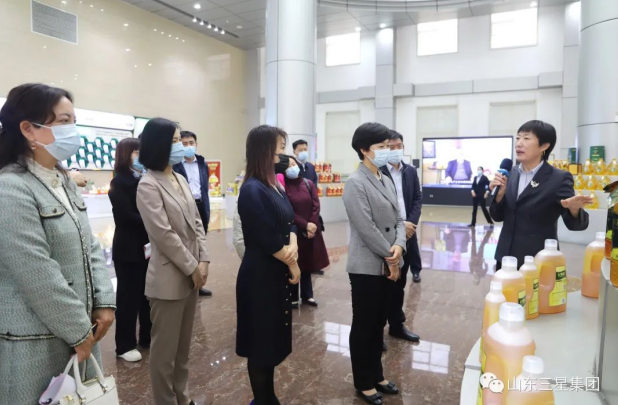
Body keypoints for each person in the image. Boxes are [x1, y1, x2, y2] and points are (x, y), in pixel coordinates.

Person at [0, 83, 116, 404]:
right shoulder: (10, 188)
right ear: (28, 129)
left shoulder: (64, 181)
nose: (73, 130)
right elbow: (35, 271)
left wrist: (105, 303)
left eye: (73, 121)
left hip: (81, 330)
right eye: (64, 121)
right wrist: (78, 329)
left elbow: (90, 247)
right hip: (36, 339)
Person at [136, 118, 209, 405]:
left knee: (183, 349)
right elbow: (163, 235)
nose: (181, 146)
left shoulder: (179, 178)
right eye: (176, 141)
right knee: (164, 353)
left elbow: (197, 222)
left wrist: (204, 259)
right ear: (160, 144)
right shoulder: (148, 185)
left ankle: (183, 397)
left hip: (192, 273)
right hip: (169, 278)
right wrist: (192, 266)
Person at [236, 125, 301, 405]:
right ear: (265, 150)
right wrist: (293, 263)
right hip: (260, 276)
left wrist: (294, 243)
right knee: (260, 345)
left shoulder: (274, 184)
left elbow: (290, 220)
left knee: (272, 341)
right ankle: (262, 400)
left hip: (276, 271)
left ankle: (269, 397)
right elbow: (266, 237)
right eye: (280, 148)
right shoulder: (252, 189)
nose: (284, 154)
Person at [343, 122, 406, 405]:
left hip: (390, 260)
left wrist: (399, 247)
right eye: (381, 147)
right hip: (367, 267)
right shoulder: (355, 183)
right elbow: (366, 227)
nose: (387, 151)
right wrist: (391, 255)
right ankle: (363, 382)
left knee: (379, 323)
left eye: (388, 146)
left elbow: (399, 219)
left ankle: (377, 374)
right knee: (364, 325)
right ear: (364, 150)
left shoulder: (385, 178)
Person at [490, 120, 591, 269]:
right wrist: (499, 195)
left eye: (526, 138)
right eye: (518, 138)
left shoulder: (559, 178)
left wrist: (574, 209)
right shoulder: (511, 173)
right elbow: (497, 217)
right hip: (505, 258)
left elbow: (575, 225)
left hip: (538, 260)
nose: (519, 143)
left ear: (544, 146)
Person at [109, 137, 151, 362]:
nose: (140, 156)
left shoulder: (145, 179)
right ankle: (125, 345)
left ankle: (147, 337)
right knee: (128, 298)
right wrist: (154, 220)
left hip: (147, 247)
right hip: (128, 249)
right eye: (136, 152)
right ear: (126, 155)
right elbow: (126, 216)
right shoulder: (120, 182)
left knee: (147, 296)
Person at [379, 130, 421, 348]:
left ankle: (396, 325)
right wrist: (401, 227)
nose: (395, 151)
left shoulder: (410, 171)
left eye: (399, 146)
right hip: (387, 234)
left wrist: (410, 224)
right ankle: (377, 331)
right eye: (391, 147)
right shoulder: (378, 171)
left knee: (400, 282)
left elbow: (417, 199)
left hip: (408, 233)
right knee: (383, 284)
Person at [283, 156, 330, 308]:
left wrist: (312, 224)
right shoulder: (283, 187)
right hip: (294, 231)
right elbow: (288, 210)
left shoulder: (308, 183)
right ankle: (292, 297)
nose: (292, 167)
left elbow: (316, 205)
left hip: (310, 231)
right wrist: (305, 225)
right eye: (288, 165)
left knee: (308, 263)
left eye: (294, 164)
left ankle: (308, 295)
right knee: (294, 262)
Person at [173, 130, 213, 297]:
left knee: (199, 242)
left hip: (201, 205)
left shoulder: (202, 163)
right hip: (184, 207)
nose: (188, 146)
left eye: (191, 143)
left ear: (196, 144)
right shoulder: (175, 165)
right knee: (186, 242)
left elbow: (204, 187)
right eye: (184, 143)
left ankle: (199, 282)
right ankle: (185, 280)